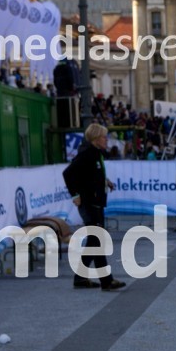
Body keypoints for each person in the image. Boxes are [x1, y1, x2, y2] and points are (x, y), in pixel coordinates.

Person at [62, 124, 126, 291]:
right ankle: (106, 281)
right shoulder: (87, 154)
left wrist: (105, 181)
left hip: (96, 202)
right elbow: (68, 173)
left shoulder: (96, 153)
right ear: (96, 138)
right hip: (90, 203)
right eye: (104, 137)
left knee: (94, 240)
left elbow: (91, 174)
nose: (107, 140)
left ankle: (80, 278)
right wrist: (75, 195)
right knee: (97, 240)